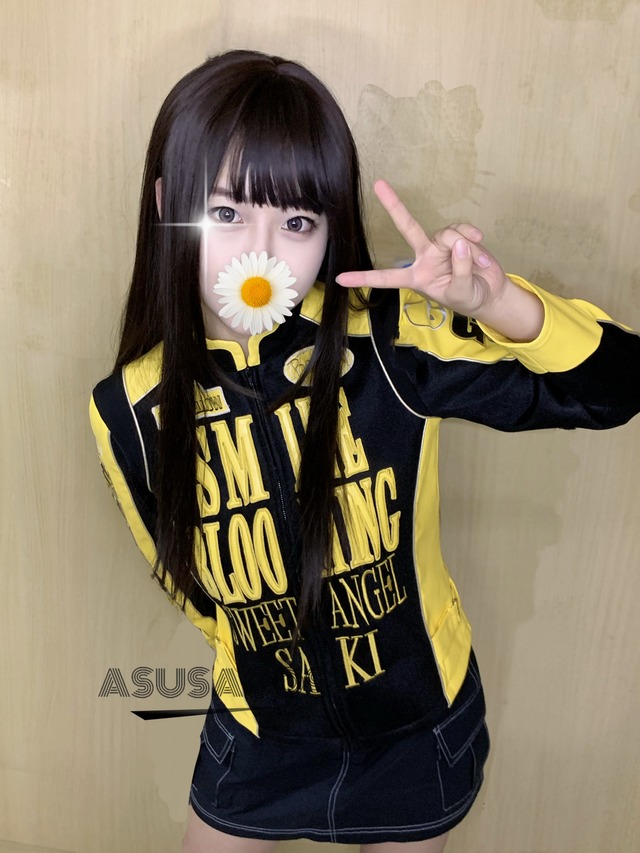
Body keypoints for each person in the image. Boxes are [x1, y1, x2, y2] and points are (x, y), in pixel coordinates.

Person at [89, 49, 640, 853]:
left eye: (298, 223)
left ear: (330, 227)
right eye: (226, 212)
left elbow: (614, 390)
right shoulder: (127, 408)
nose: (261, 256)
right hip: (260, 740)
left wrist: (500, 305)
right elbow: (185, 578)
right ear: (168, 202)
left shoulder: (391, 341)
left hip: (416, 735)